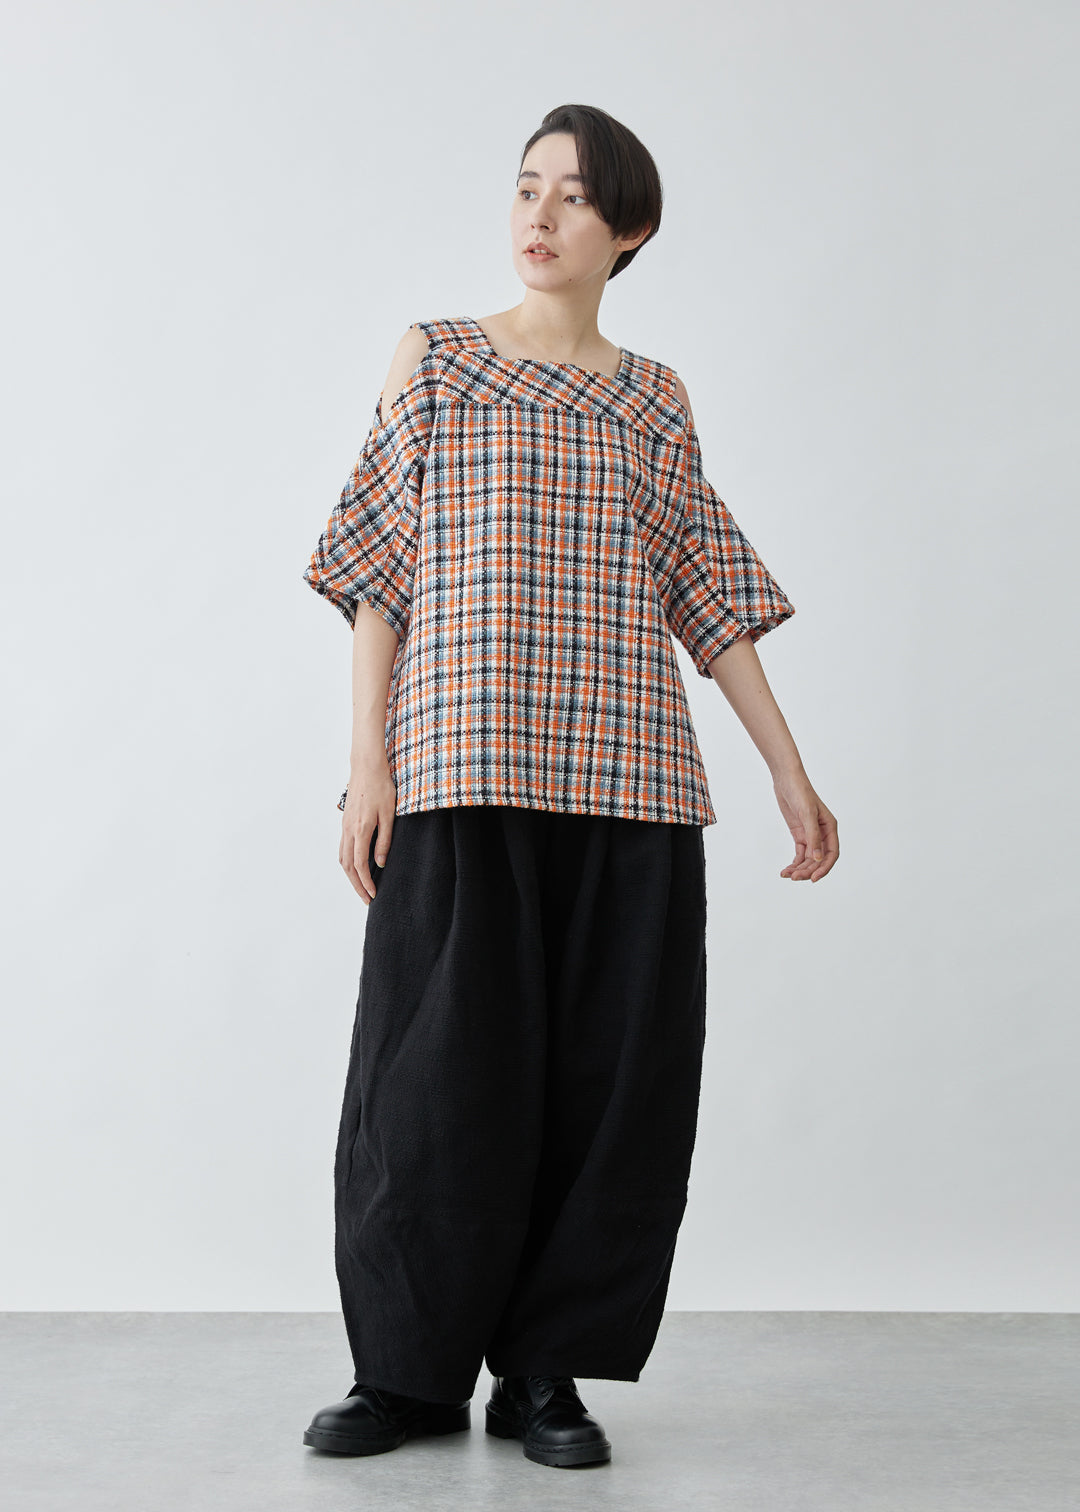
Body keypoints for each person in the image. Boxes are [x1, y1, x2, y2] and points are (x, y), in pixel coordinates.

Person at [299, 103, 839, 1471]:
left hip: (631, 782)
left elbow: (705, 590)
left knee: (609, 1086)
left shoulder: (653, 398)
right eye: (526, 187)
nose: (539, 216)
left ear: (629, 231)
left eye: (576, 197)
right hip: (460, 765)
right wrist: (367, 764)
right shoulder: (437, 360)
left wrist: (789, 772)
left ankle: (545, 1374)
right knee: (432, 1081)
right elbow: (378, 567)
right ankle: (407, 1373)